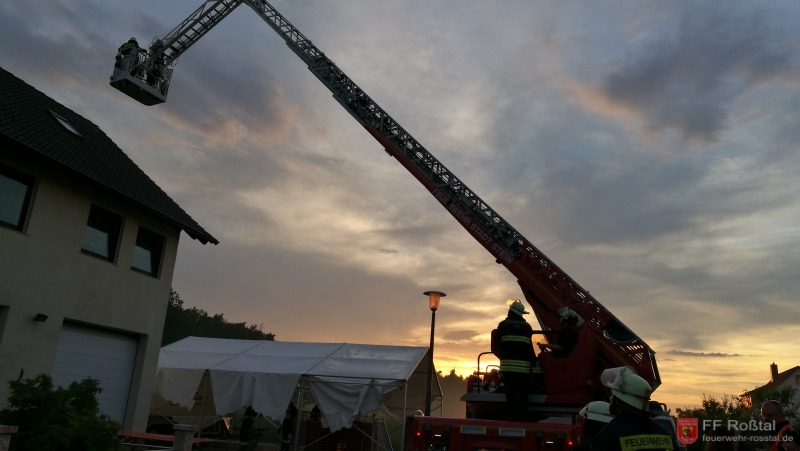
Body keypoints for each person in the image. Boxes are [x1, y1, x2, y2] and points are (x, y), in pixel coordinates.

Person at [581, 366, 680, 450]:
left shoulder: (609, 434)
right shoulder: (666, 436)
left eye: (613, 395)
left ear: (618, 400)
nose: (610, 398)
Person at [495, 299, 539, 421]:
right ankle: (523, 415)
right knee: (523, 392)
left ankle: (512, 415)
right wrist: (533, 361)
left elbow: (497, 344)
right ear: (521, 313)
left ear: (510, 310)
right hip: (523, 368)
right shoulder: (527, 327)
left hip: (507, 366)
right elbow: (529, 347)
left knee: (510, 392)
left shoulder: (503, 325)